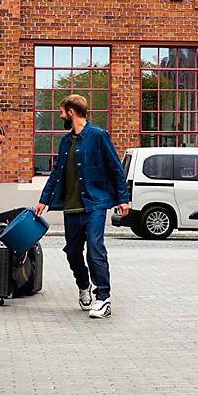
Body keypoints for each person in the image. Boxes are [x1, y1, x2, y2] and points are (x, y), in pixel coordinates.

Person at [35, 95, 130, 319]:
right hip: (71, 207)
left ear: (71, 111)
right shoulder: (65, 142)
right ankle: (83, 284)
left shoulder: (98, 136)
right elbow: (56, 173)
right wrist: (43, 199)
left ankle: (103, 298)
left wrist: (122, 199)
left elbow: (116, 169)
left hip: (95, 204)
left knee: (95, 248)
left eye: (62, 111)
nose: (61, 116)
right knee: (72, 252)